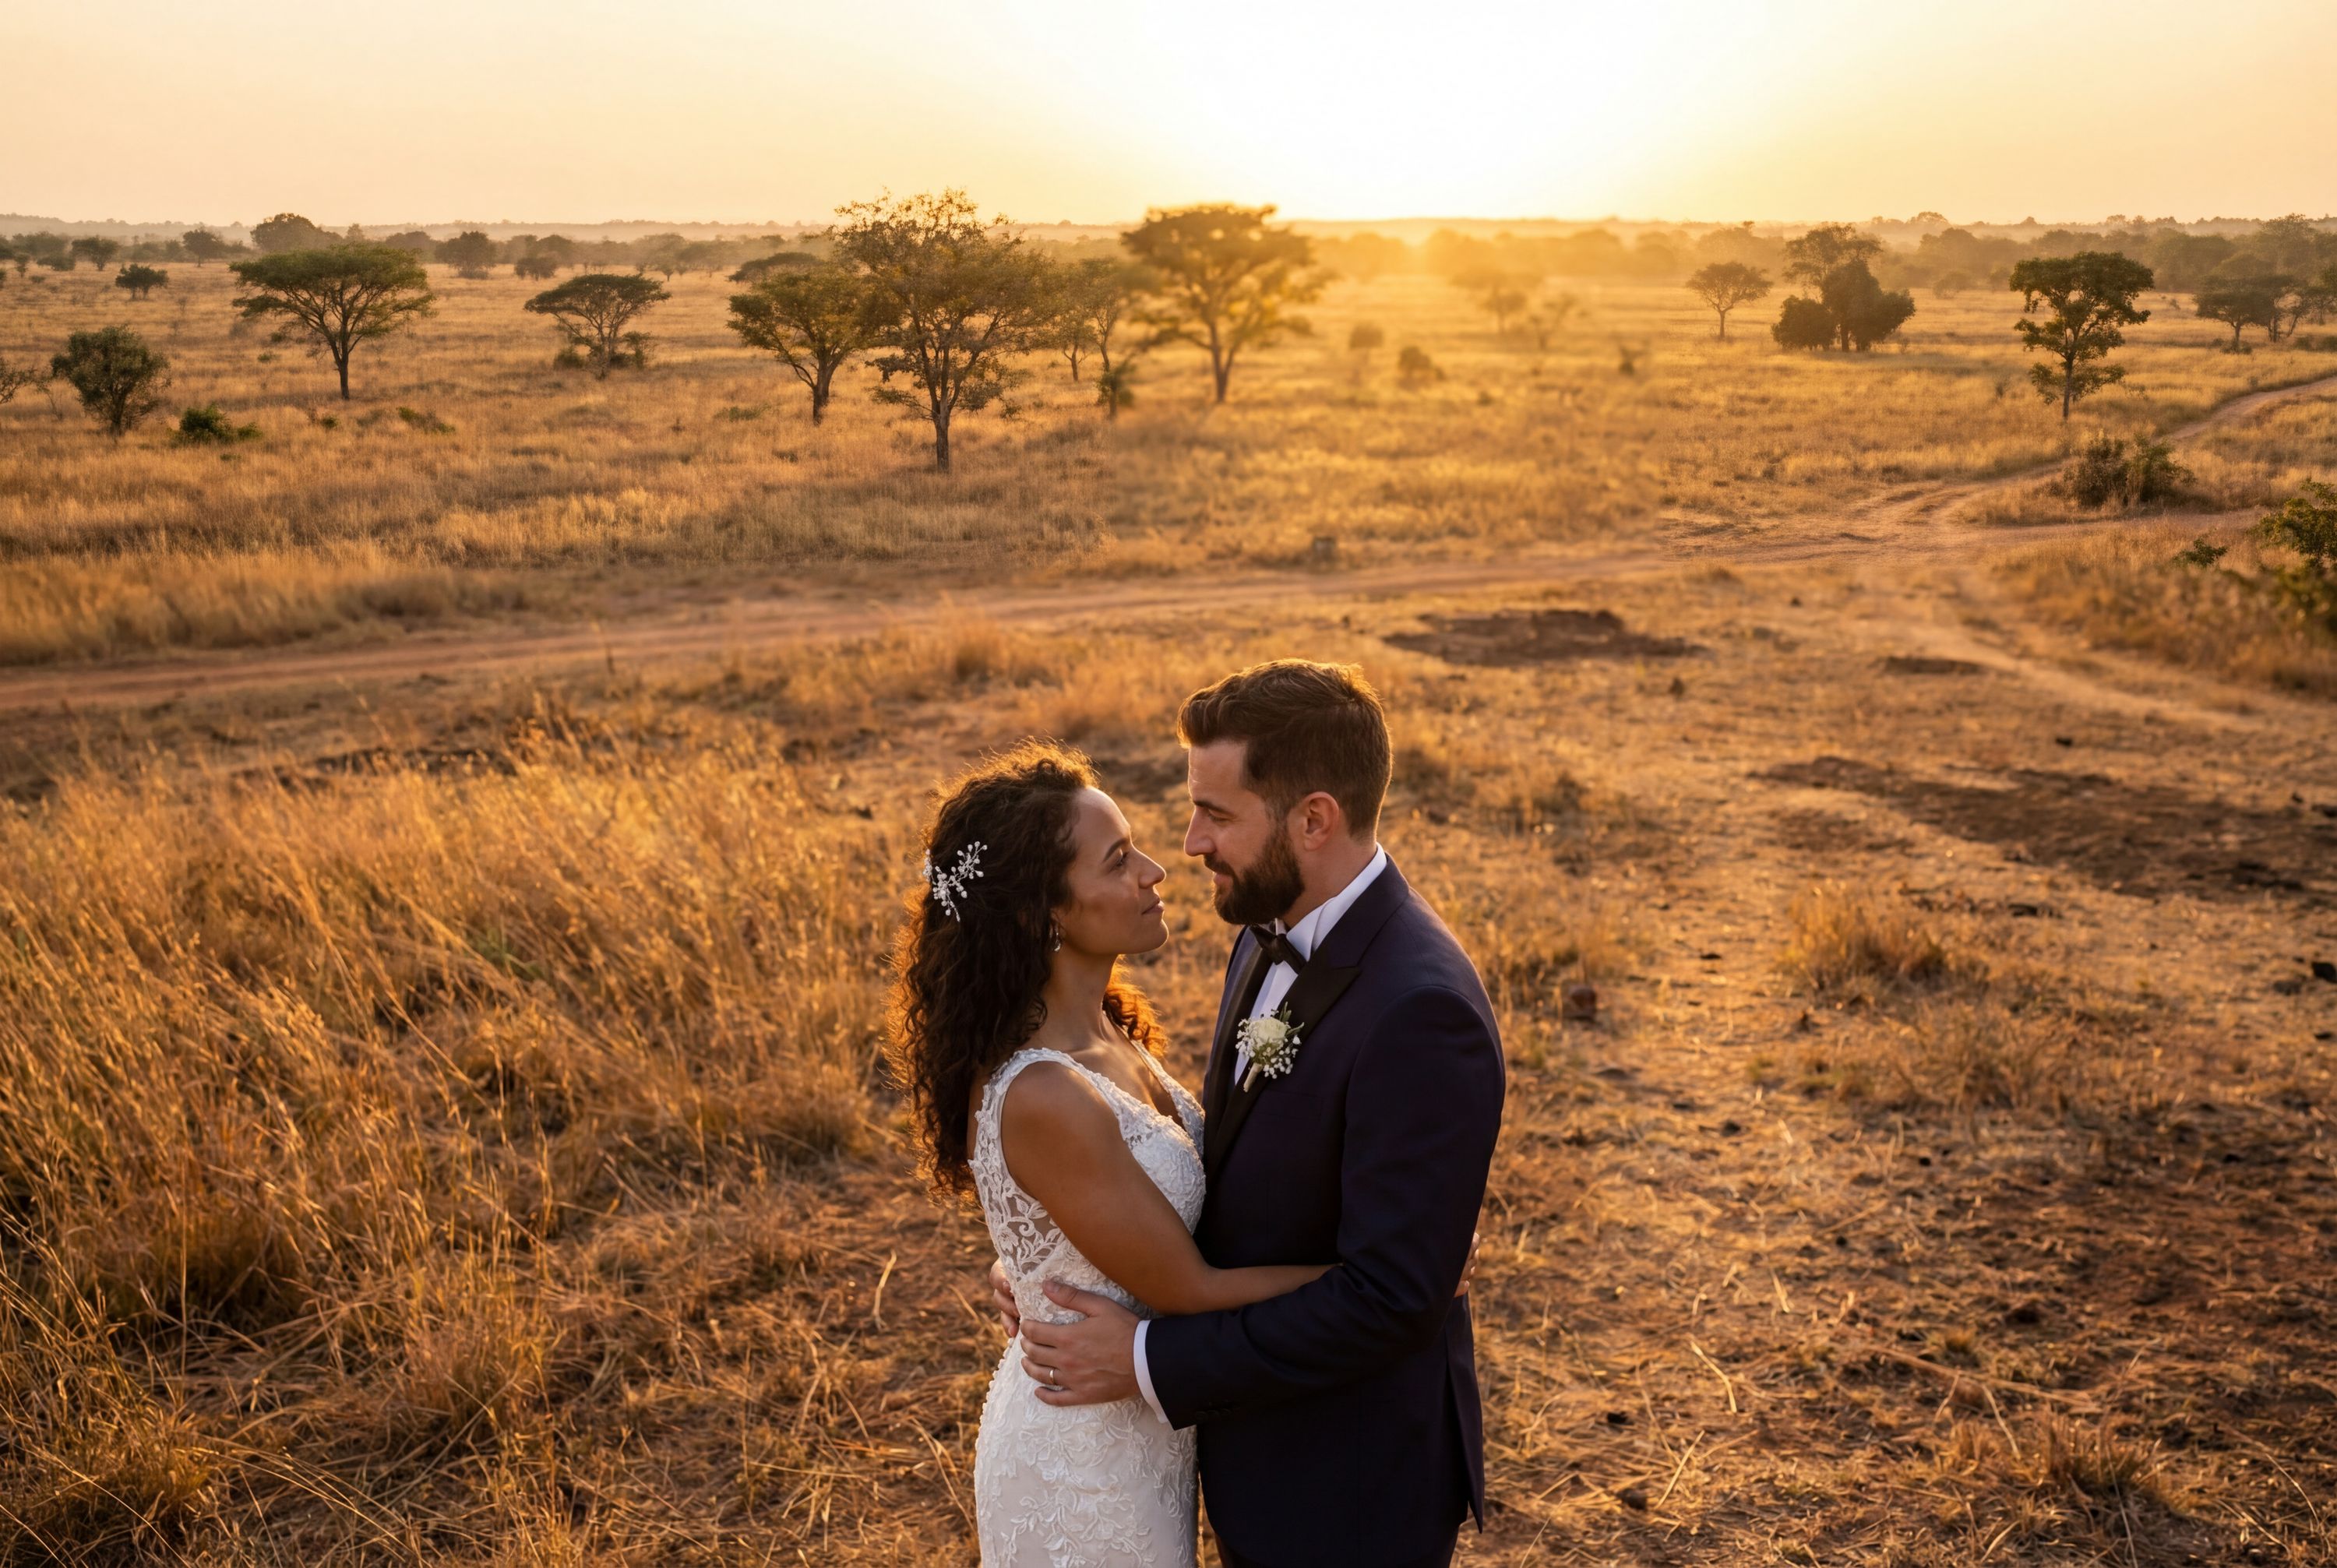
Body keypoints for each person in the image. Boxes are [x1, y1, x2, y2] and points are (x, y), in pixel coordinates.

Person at [999, 661, 1507, 1568]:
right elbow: (1234, 1175)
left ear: (1314, 819)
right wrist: (1062, 1271)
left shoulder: (1420, 1012)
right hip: (1250, 1450)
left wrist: (1149, 1361)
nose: (1191, 843)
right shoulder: (1267, 924)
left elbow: (1390, 1300)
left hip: (1345, 1486)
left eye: (1217, 814)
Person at [889, 741, 1331, 1566]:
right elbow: (1193, 1289)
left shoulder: (1109, 1029)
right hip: (1081, 1464)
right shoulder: (1048, 1091)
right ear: (1044, 913)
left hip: (1138, 1426)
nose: (1158, 870)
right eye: (1119, 860)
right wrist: (1387, 1276)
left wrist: (1027, 1269)